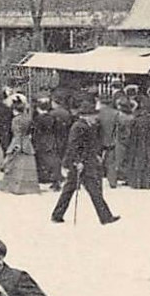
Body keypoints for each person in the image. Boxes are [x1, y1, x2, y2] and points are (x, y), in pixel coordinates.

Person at [50, 94, 118, 225]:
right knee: (92, 191)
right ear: (86, 115)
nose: (95, 117)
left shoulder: (86, 125)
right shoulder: (79, 127)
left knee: (71, 190)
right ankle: (105, 217)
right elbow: (73, 146)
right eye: (93, 115)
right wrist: (77, 161)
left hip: (85, 163)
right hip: (81, 164)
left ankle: (57, 214)